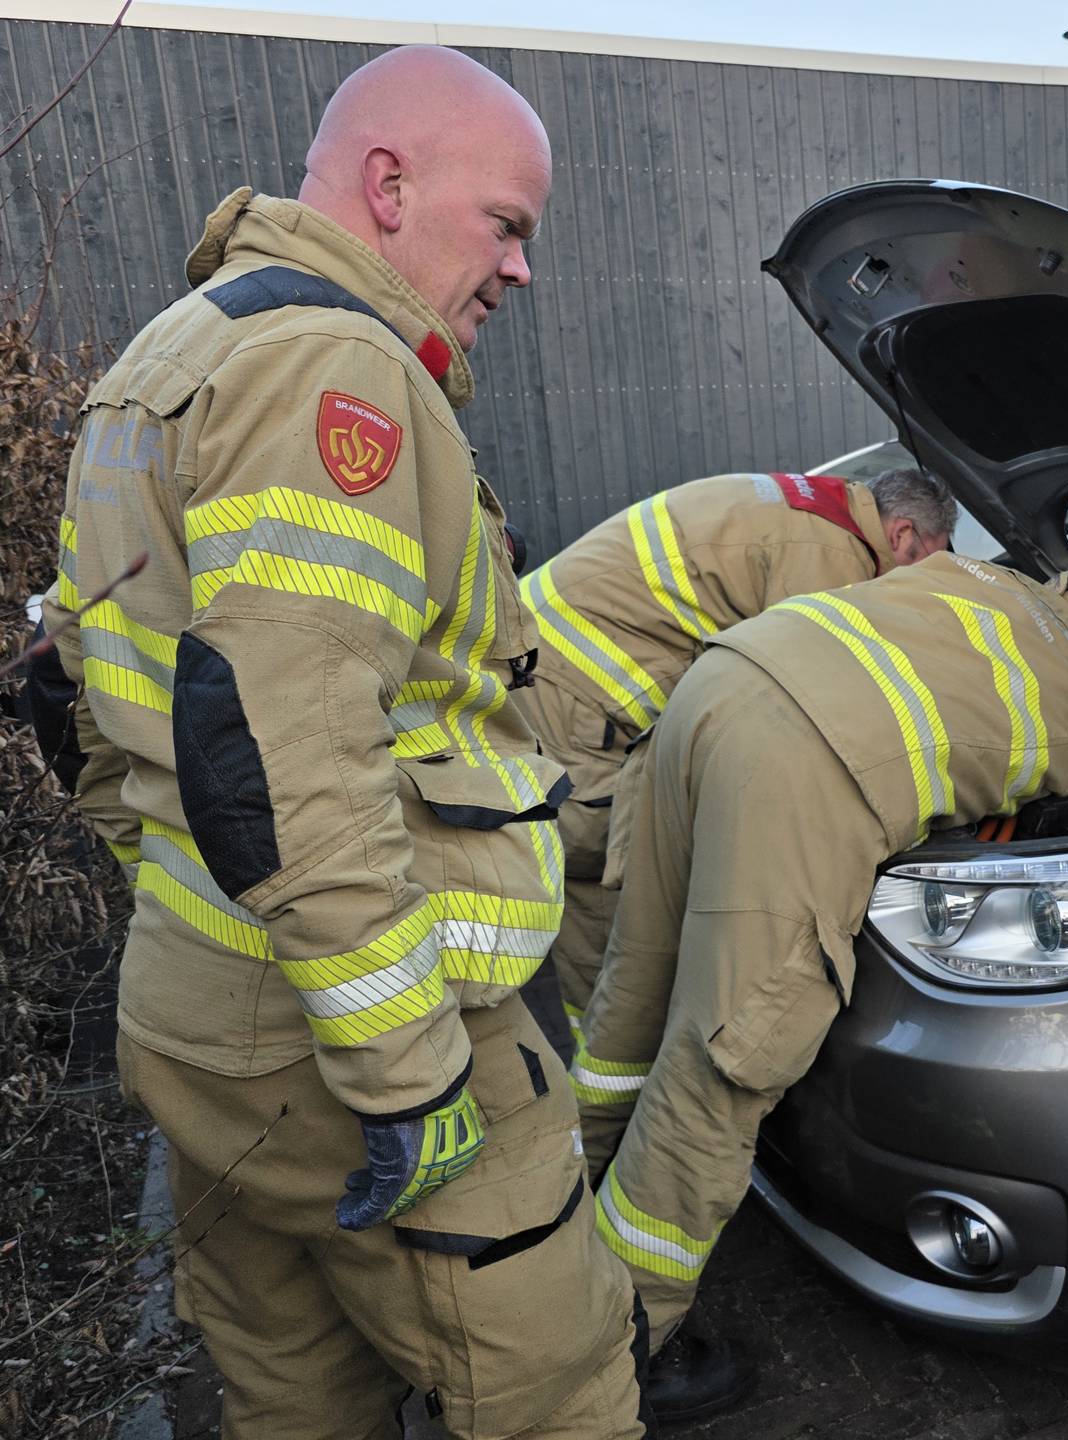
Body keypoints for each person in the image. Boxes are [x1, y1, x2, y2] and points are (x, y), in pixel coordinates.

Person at [42, 46, 648, 1438]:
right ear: (390, 184)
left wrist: (191, 941)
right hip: (367, 1053)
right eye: (508, 224)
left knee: (287, 1392)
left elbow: (77, 696)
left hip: (203, 1022)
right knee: (555, 1390)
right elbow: (286, 757)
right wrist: (412, 1074)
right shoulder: (334, 375)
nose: (521, 269)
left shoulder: (174, 352)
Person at [577, 552, 1068, 1413]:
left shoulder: (978, 576)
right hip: (796, 771)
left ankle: (551, 1224)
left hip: (717, 686)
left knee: (636, 989)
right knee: (726, 1064)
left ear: (1064, 587)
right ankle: (614, 1348)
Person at [513, 467, 954, 1065]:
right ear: (902, 534)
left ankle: (610, 1056)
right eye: (929, 563)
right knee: (612, 878)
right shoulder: (829, 556)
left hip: (541, 666)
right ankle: (611, 1067)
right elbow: (804, 707)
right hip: (568, 699)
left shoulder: (809, 510)